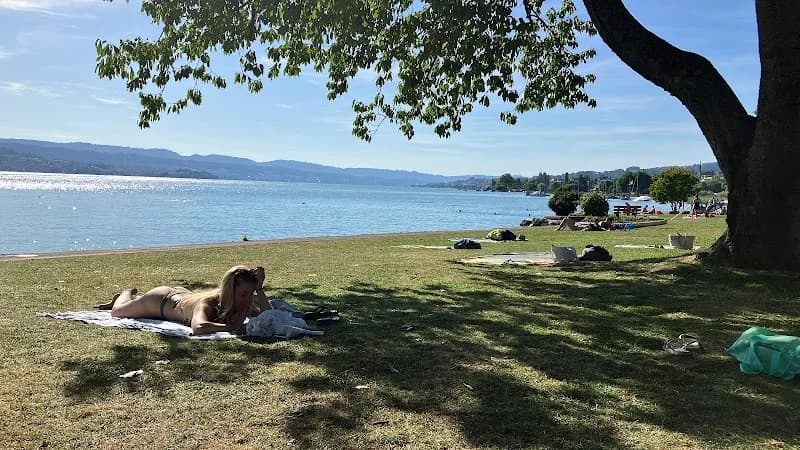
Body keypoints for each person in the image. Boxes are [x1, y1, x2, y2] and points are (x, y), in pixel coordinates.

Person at [94, 265, 269, 336]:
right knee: (117, 312)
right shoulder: (208, 304)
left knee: (124, 310)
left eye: (251, 293)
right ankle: (126, 293)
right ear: (230, 291)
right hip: (161, 301)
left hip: (182, 296)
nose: (248, 299)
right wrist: (230, 327)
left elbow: (268, 316)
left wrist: (260, 289)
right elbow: (199, 327)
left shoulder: (241, 304)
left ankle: (134, 299)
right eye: (244, 294)